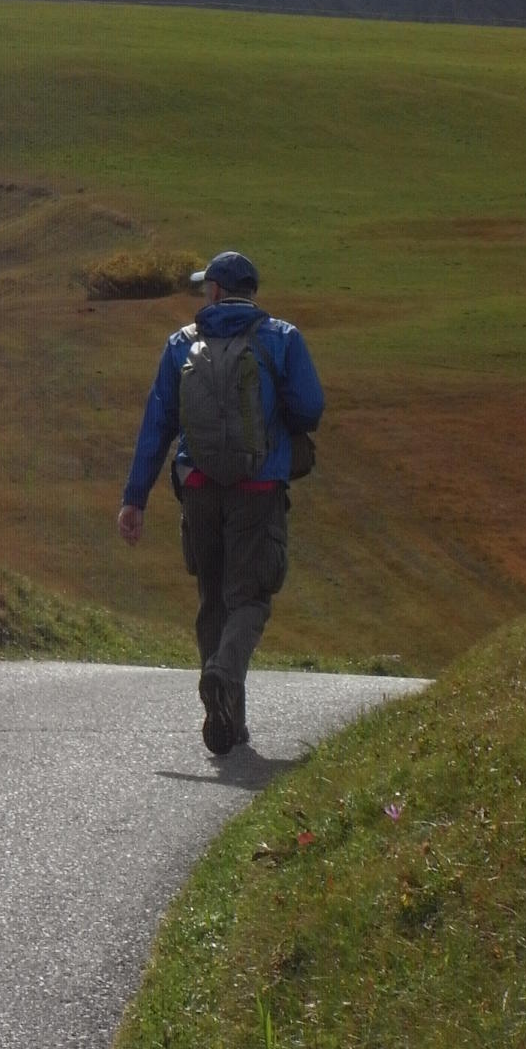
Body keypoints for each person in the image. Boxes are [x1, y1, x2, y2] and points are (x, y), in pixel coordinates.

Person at [117, 250, 325, 756]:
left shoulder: (180, 345)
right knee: (250, 598)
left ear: (214, 291)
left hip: (199, 489)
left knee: (212, 599)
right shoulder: (282, 338)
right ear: (251, 292)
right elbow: (310, 409)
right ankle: (225, 677)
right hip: (259, 490)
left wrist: (134, 499)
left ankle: (225, 717)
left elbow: (157, 426)